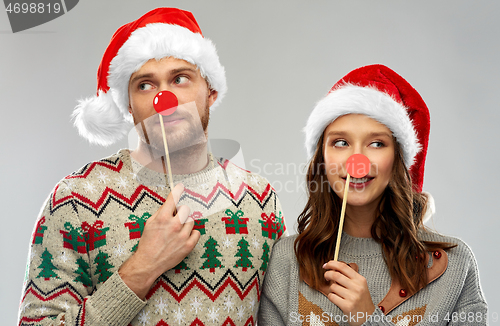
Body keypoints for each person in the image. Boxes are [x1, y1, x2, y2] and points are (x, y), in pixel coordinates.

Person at [18, 8, 287, 326]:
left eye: (180, 78)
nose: (165, 98)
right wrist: (141, 268)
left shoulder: (259, 198)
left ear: (211, 92)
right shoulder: (76, 199)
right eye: (145, 85)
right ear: (128, 104)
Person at [258, 64, 487, 326]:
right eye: (341, 142)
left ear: (399, 160)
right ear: (322, 157)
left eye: (376, 143)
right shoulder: (286, 261)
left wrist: (367, 318)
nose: (357, 161)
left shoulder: (454, 267)